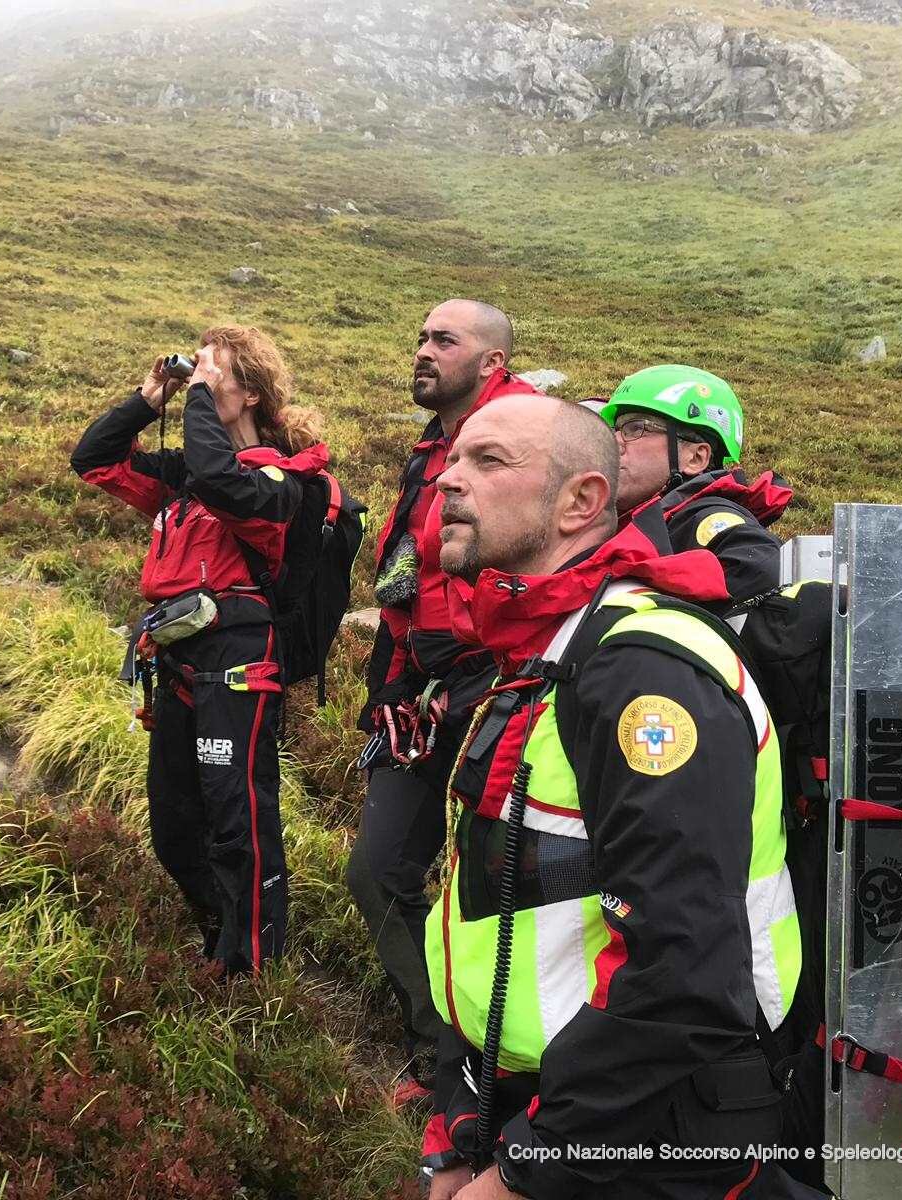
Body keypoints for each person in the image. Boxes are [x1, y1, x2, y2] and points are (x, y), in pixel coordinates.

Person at [420, 392, 809, 1199]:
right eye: (453, 459)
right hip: (546, 1096)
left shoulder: (642, 670)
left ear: (581, 503)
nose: (448, 482)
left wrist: (533, 1166)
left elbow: (686, 970)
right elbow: (511, 903)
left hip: (647, 1134)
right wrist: (467, 1110)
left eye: (488, 462)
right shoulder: (542, 653)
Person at [71, 326, 328, 975]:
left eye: (214, 371)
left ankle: (255, 964)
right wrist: (149, 398)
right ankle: (222, 932)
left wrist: (200, 402)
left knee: (238, 818)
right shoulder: (191, 475)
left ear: (246, 392)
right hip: (179, 661)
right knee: (175, 825)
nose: (200, 378)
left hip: (239, 663)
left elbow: (220, 476)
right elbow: (94, 459)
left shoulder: (278, 480)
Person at [347, 299, 540, 1105]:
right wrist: (389, 687)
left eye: (443, 340)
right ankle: (438, 1043)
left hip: (498, 690)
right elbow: (405, 581)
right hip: (423, 697)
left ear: (491, 362)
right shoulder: (435, 448)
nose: (422, 350)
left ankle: (492, 1079)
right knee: (377, 869)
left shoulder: (525, 442)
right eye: (421, 337)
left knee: (496, 891)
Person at [589, 364, 791, 606]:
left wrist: (634, 574)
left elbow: (762, 568)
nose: (615, 442)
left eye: (636, 428)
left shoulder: (705, 515)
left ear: (696, 458)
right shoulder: (642, 520)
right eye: (615, 430)